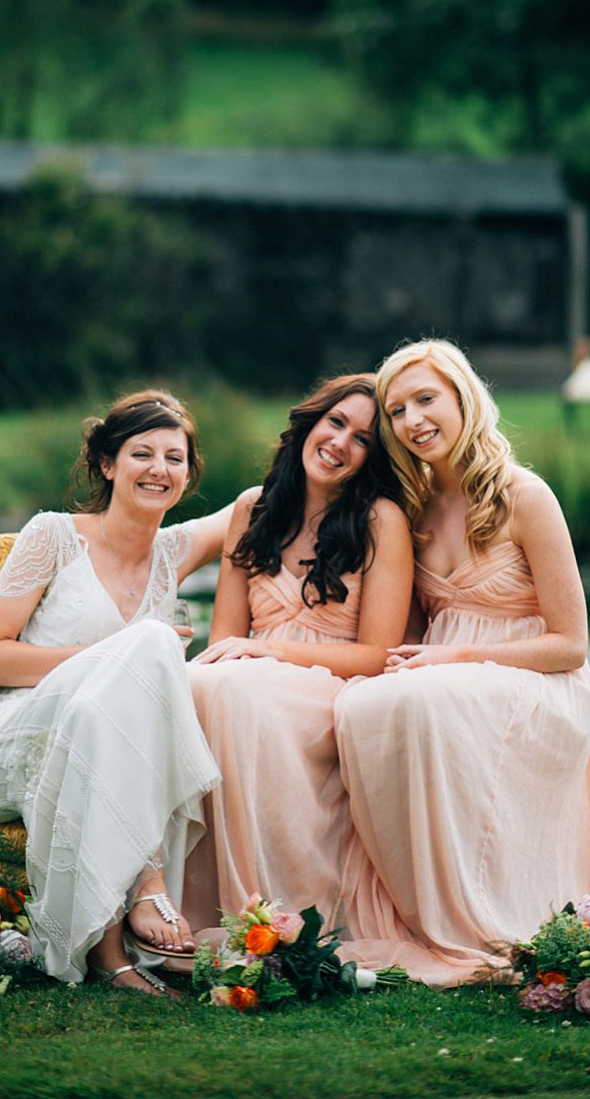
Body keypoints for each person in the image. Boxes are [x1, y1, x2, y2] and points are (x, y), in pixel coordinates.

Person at [335, 339, 590, 986]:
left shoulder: (526, 496)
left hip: (538, 681)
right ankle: (419, 907)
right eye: (397, 411)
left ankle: (478, 917)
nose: (413, 420)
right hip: (451, 677)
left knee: (420, 698)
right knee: (363, 702)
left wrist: (461, 656)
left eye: (425, 400)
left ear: (464, 398)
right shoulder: (411, 512)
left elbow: (571, 644)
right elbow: (411, 632)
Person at [0, 389, 231, 996]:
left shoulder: (172, 553)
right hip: (13, 742)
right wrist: (117, 656)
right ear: (107, 464)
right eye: (142, 453)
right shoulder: (53, 536)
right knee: (153, 648)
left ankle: (110, 954)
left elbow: (257, 505)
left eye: (174, 457)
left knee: (131, 679)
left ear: (188, 475)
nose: (159, 469)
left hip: (92, 739)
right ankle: (148, 883)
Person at [183, 374, 413, 933]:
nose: (340, 442)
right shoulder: (251, 510)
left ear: (373, 459)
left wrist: (268, 654)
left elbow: (377, 654)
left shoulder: (381, 520)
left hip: (332, 684)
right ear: (311, 421)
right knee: (190, 686)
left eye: (363, 439)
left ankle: (264, 912)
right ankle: (171, 905)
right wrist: (244, 658)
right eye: (336, 422)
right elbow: (224, 640)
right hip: (247, 678)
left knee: (232, 688)